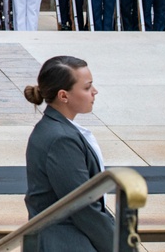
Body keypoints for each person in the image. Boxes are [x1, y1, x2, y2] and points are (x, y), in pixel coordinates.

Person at [23, 55, 113, 251]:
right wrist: (119, 244)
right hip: (66, 242)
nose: (94, 92)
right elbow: (83, 205)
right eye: (87, 87)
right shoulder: (61, 139)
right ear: (64, 96)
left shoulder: (57, 129)